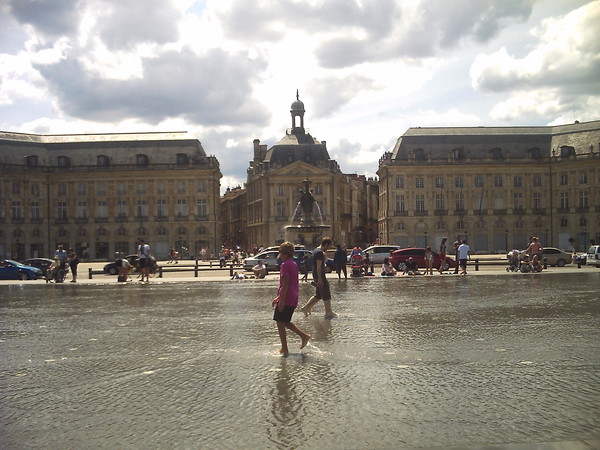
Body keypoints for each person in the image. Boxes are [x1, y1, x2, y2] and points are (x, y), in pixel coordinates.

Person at [271, 242, 311, 356]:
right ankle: (304, 336)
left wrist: (281, 301)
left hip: (287, 297)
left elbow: (286, 282)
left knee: (279, 322)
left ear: (283, 253)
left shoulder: (284, 265)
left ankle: (284, 348)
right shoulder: (293, 263)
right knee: (285, 321)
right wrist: (278, 298)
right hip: (293, 296)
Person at [301, 237, 338, 319]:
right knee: (326, 293)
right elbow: (318, 266)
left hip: (317, 275)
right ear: (326, 244)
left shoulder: (316, 251)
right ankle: (328, 312)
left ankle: (305, 308)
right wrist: (320, 279)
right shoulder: (319, 253)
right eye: (328, 247)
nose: (328, 249)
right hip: (319, 276)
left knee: (318, 295)